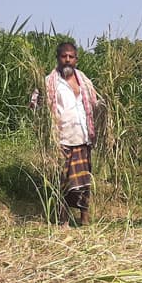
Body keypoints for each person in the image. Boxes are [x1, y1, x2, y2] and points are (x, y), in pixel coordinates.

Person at [41, 41, 100, 226]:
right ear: (58, 58)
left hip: (82, 137)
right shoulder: (50, 82)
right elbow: (37, 101)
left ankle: (84, 219)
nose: (67, 60)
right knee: (63, 181)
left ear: (76, 59)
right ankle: (63, 220)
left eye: (71, 57)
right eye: (63, 56)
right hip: (62, 139)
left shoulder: (83, 80)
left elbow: (95, 102)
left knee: (83, 181)